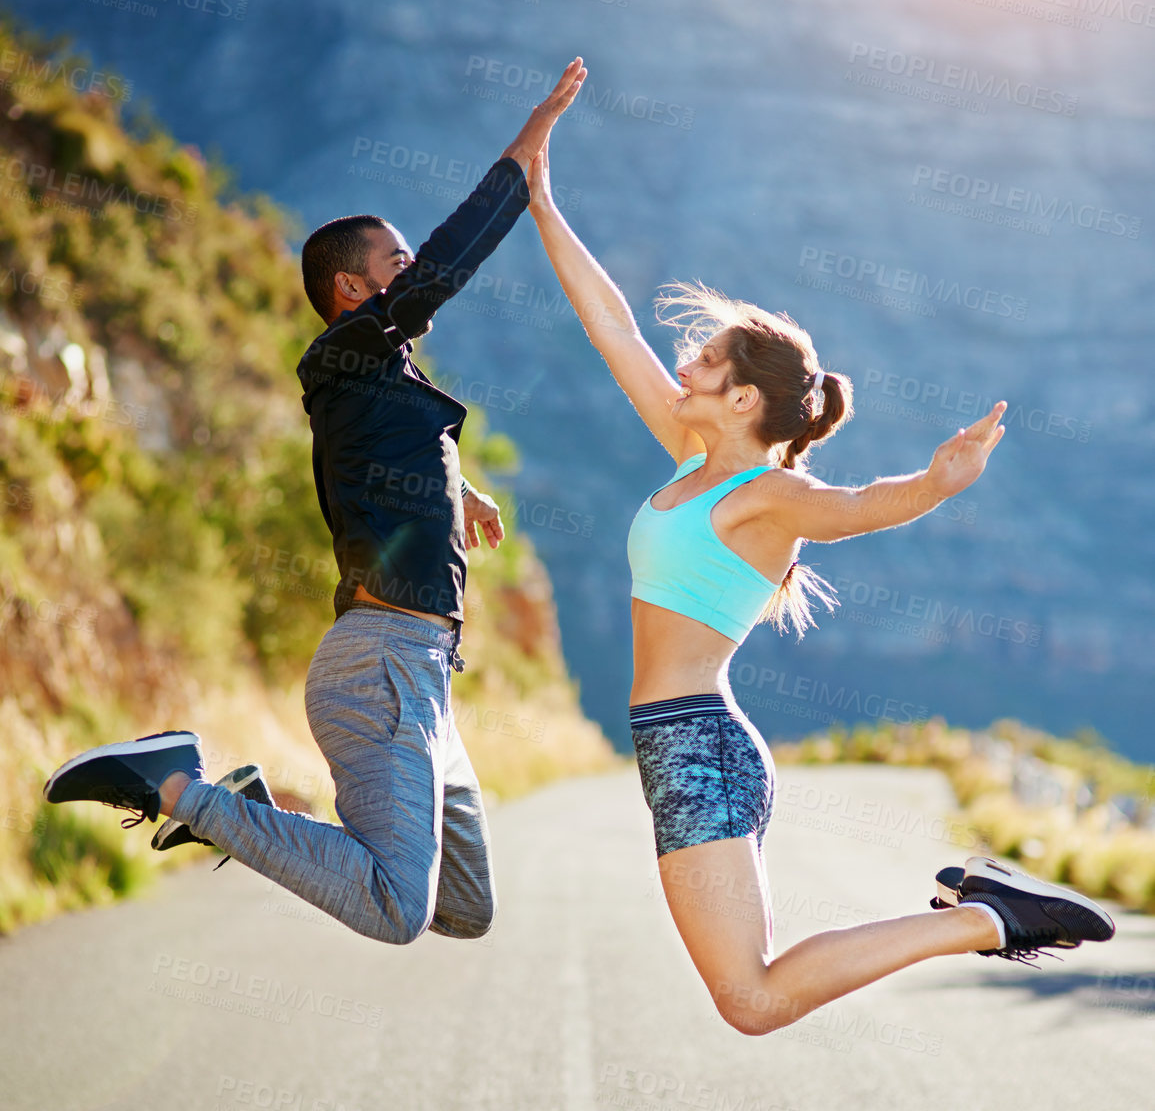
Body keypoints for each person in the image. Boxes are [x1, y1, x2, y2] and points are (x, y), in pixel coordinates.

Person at [524, 139, 1115, 1035]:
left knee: (751, 1000)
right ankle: (986, 912)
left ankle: (985, 917)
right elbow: (612, 326)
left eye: (705, 360)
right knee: (748, 997)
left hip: (698, 749)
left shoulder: (767, 495)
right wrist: (538, 194)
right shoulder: (693, 460)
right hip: (681, 745)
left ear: (742, 400)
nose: (683, 368)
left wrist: (934, 483)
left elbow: (857, 507)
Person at [43, 60, 588, 946]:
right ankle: (174, 786)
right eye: (394, 261)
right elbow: (446, 266)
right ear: (353, 290)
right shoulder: (344, 353)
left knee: (464, 907)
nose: (410, 270)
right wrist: (524, 153)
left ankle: (263, 810)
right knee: (392, 910)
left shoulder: (380, 382)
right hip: (381, 669)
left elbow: (379, 453)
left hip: (424, 682)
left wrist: (468, 489)